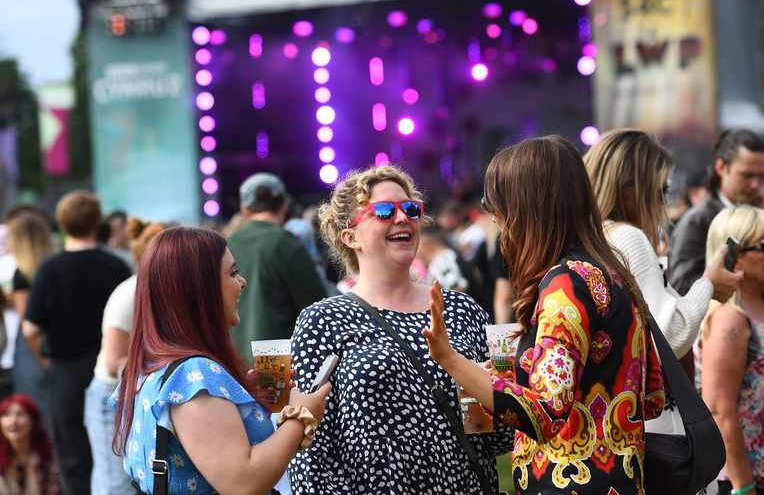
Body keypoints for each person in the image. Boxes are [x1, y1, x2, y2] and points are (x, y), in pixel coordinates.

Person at [423, 136, 665, 495]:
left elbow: (547, 412)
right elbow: (651, 396)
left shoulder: (565, 285)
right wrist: (516, 371)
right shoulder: (610, 271)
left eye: (497, 205)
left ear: (526, 207)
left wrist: (448, 358)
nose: (493, 219)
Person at [289, 165, 513, 494]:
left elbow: (498, 437)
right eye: (383, 211)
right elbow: (311, 455)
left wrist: (507, 381)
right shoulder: (323, 321)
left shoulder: (462, 310)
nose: (402, 218)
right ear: (349, 236)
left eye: (410, 209)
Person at [112, 227, 330, 494]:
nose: (242, 282)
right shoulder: (195, 376)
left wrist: (234, 395)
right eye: (233, 273)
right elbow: (243, 483)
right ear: (200, 290)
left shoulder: (150, 365)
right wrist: (302, 416)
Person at [584, 129, 741, 434]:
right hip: (653, 422)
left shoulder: (592, 237)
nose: (663, 203)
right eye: (661, 190)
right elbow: (669, 333)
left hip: (612, 419)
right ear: (632, 188)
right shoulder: (627, 237)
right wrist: (708, 283)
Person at [22, 192, 130, 495]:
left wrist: (45, 361)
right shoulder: (116, 266)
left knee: (72, 457)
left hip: (65, 372)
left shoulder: (49, 269)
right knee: (117, 455)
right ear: (98, 222)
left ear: (61, 222)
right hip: (112, 373)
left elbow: (30, 328)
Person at [697, 206, 764, 495]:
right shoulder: (731, 318)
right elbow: (718, 408)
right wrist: (745, 487)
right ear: (734, 257)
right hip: (751, 482)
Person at [84, 218, 165, 495]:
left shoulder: (159, 290)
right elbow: (114, 361)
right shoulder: (130, 293)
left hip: (137, 393)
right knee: (114, 483)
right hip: (113, 396)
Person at [227, 173, 327, 363]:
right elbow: (318, 310)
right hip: (279, 369)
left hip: (234, 365)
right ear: (284, 207)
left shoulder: (226, 246)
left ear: (245, 210)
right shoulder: (287, 244)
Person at [669, 129, 764, 302]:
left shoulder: (763, 217)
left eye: (761, 176)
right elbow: (681, 285)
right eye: (747, 175)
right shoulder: (698, 220)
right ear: (721, 167)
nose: (755, 184)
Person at [5, 212, 53, 413]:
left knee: (35, 411)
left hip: (33, 351)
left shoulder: (22, 274)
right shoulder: (54, 266)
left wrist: (44, 362)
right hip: (59, 346)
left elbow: (28, 324)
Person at [0, 393, 60, 495]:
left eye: (20, 414)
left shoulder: (46, 459)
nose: (13, 422)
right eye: (6, 415)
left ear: (33, 421)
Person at [417, 226, 483, 309]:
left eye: (417, 243)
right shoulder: (447, 257)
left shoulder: (442, 261)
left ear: (426, 242)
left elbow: (458, 289)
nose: (415, 249)